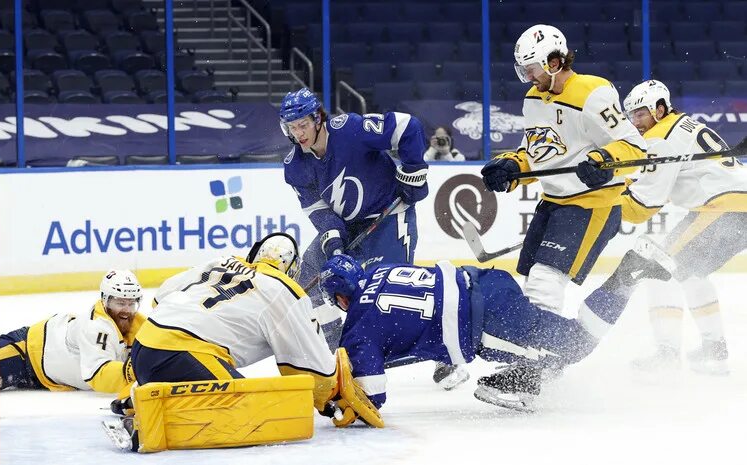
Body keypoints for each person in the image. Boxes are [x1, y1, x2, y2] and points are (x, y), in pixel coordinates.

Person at [319, 238, 674, 414]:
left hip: (489, 322)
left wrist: (331, 398)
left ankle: (628, 273)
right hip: (488, 284)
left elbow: (371, 396)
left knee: (575, 343)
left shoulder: (358, 326)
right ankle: (530, 374)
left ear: (341, 299)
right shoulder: (382, 270)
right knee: (544, 351)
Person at [477, 24, 647, 392]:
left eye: (533, 68)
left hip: (591, 204)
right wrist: (513, 167)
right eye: (524, 70)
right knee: (532, 280)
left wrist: (604, 158)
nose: (529, 77)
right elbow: (540, 154)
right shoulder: (533, 99)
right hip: (552, 202)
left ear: (556, 60)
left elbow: (634, 149)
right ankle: (541, 363)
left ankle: (532, 372)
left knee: (545, 280)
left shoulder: (593, 92)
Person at [106, 233, 380, 452]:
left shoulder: (221, 261)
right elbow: (315, 371)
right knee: (251, 411)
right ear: (291, 269)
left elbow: (162, 296)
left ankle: (138, 394)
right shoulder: (285, 291)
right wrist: (330, 398)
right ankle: (145, 423)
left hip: (146, 344)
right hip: (184, 353)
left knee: (234, 388)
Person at [279, 88, 468, 389]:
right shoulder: (295, 167)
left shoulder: (350, 129)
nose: (298, 133)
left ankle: (447, 353)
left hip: (389, 216)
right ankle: (334, 354)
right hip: (347, 226)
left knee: (396, 295)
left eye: (303, 124)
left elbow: (408, 127)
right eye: (292, 127)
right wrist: (336, 247)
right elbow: (322, 215)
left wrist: (413, 173)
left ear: (317, 119)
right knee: (309, 275)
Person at [620, 79, 747, 375]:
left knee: (657, 269)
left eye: (640, 114)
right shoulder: (683, 125)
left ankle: (667, 352)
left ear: (659, 109)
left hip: (723, 208)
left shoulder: (660, 137)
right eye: (632, 116)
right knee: (690, 272)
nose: (635, 122)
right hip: (730, 206)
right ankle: (713, 348)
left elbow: (649, 195)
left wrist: (607, 195)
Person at [0, 269, 146, 393]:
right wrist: (136, 371)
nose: (126, 311)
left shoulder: (141, 327)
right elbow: (98, 373)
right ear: (105, 301)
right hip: (26, 353)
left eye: (131, 304)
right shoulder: (95, 327)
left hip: (45, 376)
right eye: (120, 303)